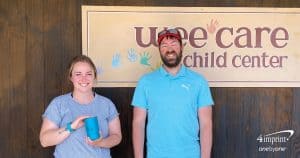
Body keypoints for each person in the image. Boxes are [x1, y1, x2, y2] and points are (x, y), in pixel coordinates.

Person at [132, 28, 214, 158]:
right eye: (164, 45)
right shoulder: (145, 82)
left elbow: (206, 124)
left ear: (182, 47)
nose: (169, 49)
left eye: (174, 44)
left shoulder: (199, 82)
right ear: (159, 50)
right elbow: (138, 123)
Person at [40, 55, 122, 158]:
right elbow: (44, 141)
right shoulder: (59, 104)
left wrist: (100, 143)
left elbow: (116, 136)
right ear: (71, 77)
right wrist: (71, 127)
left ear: (94, 76)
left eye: (88, 74)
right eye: (78, 74)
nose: (84, 78)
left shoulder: (107, 104)